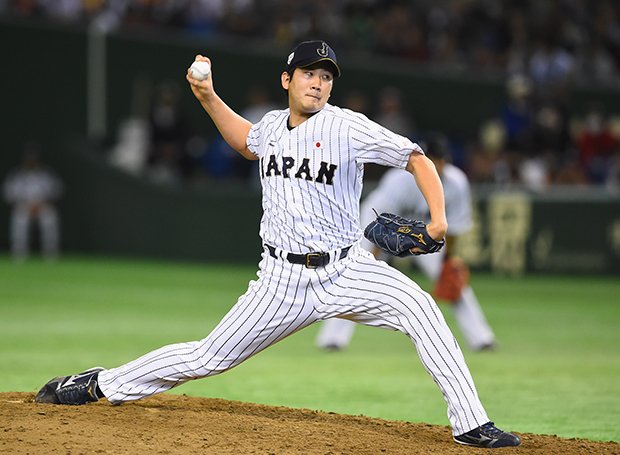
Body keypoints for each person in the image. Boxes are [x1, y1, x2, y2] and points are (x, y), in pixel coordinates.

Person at [34, 40, 520, 449]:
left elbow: (416, 158)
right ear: (287, 79)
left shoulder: (346, 127)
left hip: (346, 269)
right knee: (208, 358)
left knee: (421, 310)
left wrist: (437, 222)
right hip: (280, 281)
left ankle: (471, 424)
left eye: (327, 77)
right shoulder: (270, 126)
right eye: (309, 73)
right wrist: (206, 96)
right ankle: (100, 383)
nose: (319, 83)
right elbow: (247, 141)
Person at [315, 133, 497, 352]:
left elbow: (455, 226)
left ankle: (481, 338)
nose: (436, 164)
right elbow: (376, 219)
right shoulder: (399, 180)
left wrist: (448, 260)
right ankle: (332, 339)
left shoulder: (456, 182)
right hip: (377, 225)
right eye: (431, 158)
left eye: (439, 159)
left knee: (452, 277)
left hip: (422, 230)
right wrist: (370, 260)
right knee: (354, 276)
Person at [3, 144, 63, 261]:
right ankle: (19, 255)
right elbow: (8, 194)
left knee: (50, 218)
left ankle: (51, 255)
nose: (31, 162)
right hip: (23, 206)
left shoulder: (46, 175)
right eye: (29, 160)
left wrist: (40, 204)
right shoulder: (17, 175)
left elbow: (57, 191)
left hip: (42, 206)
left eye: (34, 160)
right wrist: (26, 204)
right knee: (19, 218)